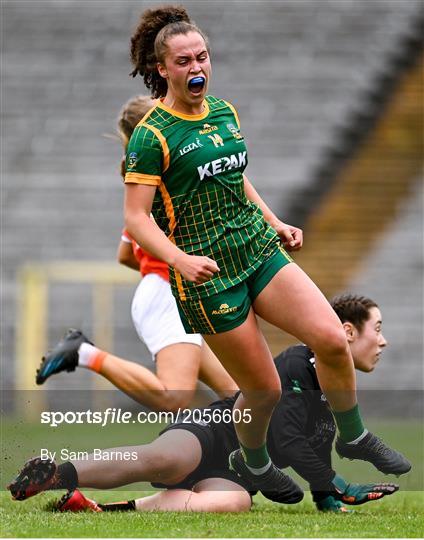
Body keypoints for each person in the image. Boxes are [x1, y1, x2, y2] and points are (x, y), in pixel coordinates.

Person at [119, 4, 410, 492]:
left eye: (203, 57)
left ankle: (354, 436)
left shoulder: (224, 111)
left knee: (332, 339)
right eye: (185, 61)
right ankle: (253, 462)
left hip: (256, 250)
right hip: (208, 275)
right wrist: (179, 259)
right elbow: (135, 219)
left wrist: (274, 222)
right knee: (263, 391)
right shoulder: (151, 138)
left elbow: (236, 177)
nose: (197, 68)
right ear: (161, 69)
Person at [8, 294, 402, 513]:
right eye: (378, 330)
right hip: (213, 432)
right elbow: (290, 439)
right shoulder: (299, 363)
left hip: (238, 474)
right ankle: (54, 476)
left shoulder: (334, 399)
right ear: (347, 332)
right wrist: (340, 484)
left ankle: (100, 509)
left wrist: (331, 500)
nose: (383, 342)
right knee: (166, 458)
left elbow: (314, 453)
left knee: (232, 504)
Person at [35, 95, 238, 412]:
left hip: (167, 292)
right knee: (174, 396)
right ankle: (85, 352)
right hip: (168, 294)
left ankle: (237, 461)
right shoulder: (172, 179)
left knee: (238, 396)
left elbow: (126, 255)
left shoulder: (141, 184)